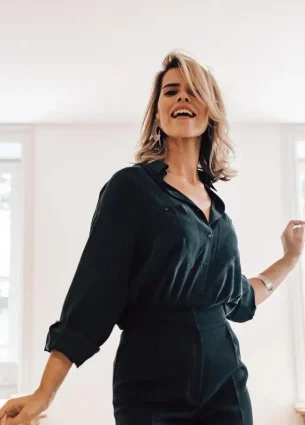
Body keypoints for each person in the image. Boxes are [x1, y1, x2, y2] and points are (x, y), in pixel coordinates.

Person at [0, 51, 304, 425]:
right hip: (150, 386)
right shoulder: (131, 189)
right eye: (171, 92)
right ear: (158, 114)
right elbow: (93, 296)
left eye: (193, 91)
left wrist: (289, 259)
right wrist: (44, 394)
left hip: (226, 385)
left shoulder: (219, 213)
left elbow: (238, 300)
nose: (182, 98)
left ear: (210, 111)